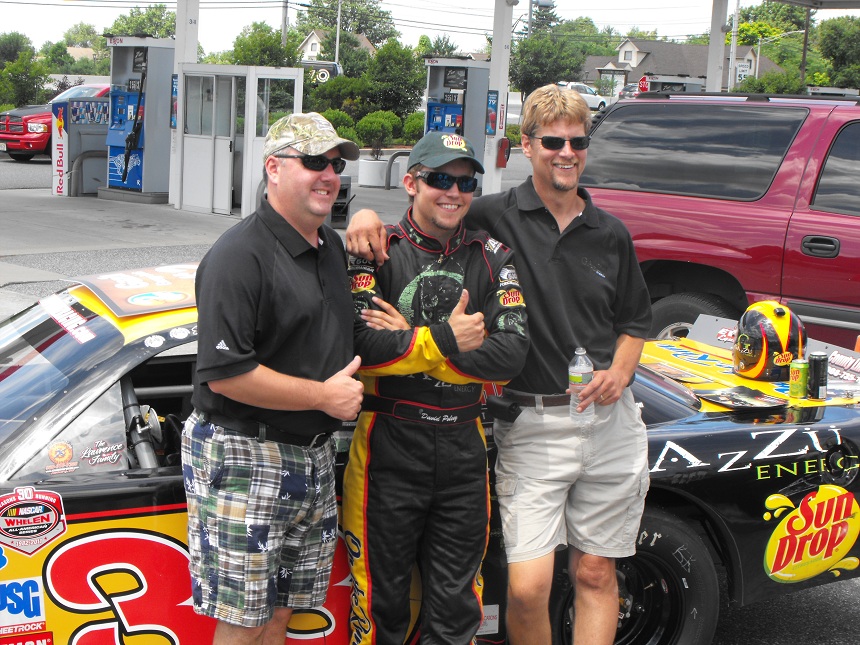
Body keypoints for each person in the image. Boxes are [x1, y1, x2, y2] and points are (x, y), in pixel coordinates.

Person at [346, 85, 652, 645]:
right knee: (494, 592)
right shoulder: (466, 225)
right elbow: (364, 342)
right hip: (465, 431)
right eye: (553, 141)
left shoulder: (588, 236)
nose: (455, 192)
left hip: (570, 424)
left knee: (575, 576)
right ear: (526, 147)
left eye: (577, 141)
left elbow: (528, 348)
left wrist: (624, 370)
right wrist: (361, 212)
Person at [181, 112, 364, 645]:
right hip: (244, 454)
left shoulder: (329, 246)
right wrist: (324, 397)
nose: (329, 174)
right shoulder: (238, 256)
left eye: (335, 164)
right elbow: (225, 374)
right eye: (313, 162)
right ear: (274, 169)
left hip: (310, 454)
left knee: (282, 614)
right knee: (245, 621)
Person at [342, 131, 529, 644]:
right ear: (410, 183)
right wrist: (451, 341)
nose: (454, 191)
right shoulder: (376, 249)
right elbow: (362, 348)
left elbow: (511, 356)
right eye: (439, 179)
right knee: (380, 607)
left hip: (465, 451)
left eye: (466, 181)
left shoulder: (495, 257)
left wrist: (411, 344)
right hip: (387, 446)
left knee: (457, 609)